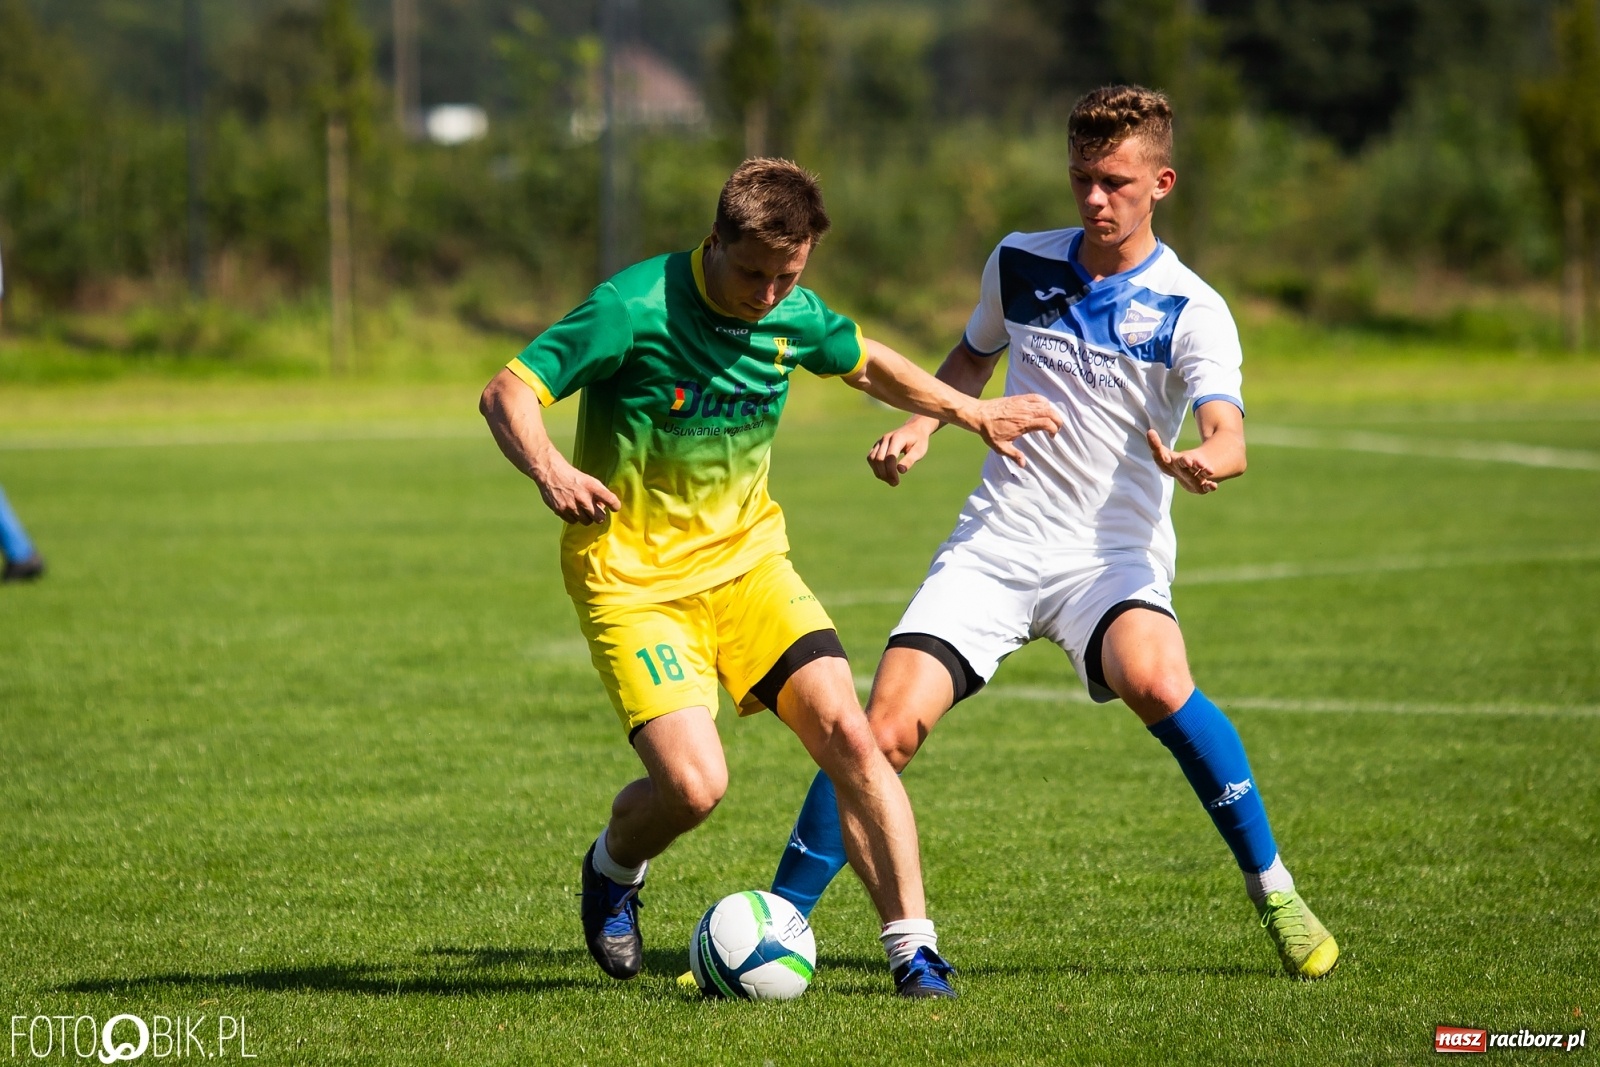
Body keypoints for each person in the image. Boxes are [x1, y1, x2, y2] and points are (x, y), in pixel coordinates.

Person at [767, 86, 1340, 981]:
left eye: (1114, 181)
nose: (1094, 200)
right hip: (997, 542)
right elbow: (970, 356)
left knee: (1155, 676)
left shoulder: (1193, 308)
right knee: (880, 728)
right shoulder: (1020, 261)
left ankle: (1274, 889)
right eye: (1081, 179)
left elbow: (1230, 434)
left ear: (1163, 182)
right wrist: (928, 423)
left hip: (1108, 560)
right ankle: (776, 922)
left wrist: (1204, 459)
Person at [479, 158, 1061, 998]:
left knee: (854, 738)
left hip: (750, 567)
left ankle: (914, 949)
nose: (766, 294)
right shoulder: (632, 307)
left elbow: (866, 361)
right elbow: (509, 392)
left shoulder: (794, 311)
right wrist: (549, 470)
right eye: (752, 272)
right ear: (715, 240)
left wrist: (969, 410)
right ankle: (613, 867)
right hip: (634, 582)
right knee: (694, 785)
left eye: (787, 276)